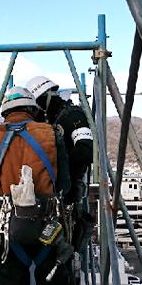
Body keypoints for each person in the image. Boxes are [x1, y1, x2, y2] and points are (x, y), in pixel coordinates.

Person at [0, 86, 76, 285]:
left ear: (5, 112)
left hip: (8, 231)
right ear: (32, 109)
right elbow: (65, 184)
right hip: (46, 228)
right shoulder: (49, 133)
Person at [26, 76, 94, 252]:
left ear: (47, 97)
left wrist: (58, 161)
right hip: (55, 195)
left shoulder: (73, 115)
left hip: (68, 196)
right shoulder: (52, 120)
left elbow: (86, 150)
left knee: (61, 251)